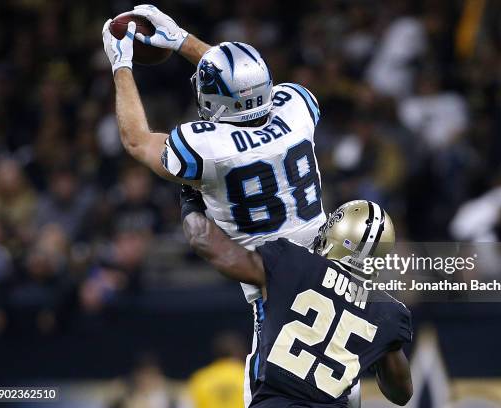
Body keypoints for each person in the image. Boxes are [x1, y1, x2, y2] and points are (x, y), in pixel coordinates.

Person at [101, 5, 327, 405]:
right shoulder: (296, 110)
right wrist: (185, 41)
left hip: (278, 303)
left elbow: (137, 140)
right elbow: (252, 90)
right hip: (335, 288)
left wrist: (122, 65)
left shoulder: (209, 148)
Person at [179, 186, 413, 407]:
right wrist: (381, 345)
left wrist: (190, 200)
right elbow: (401, 394)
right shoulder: (387, 312)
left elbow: (207, 243)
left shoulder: (295, 263)